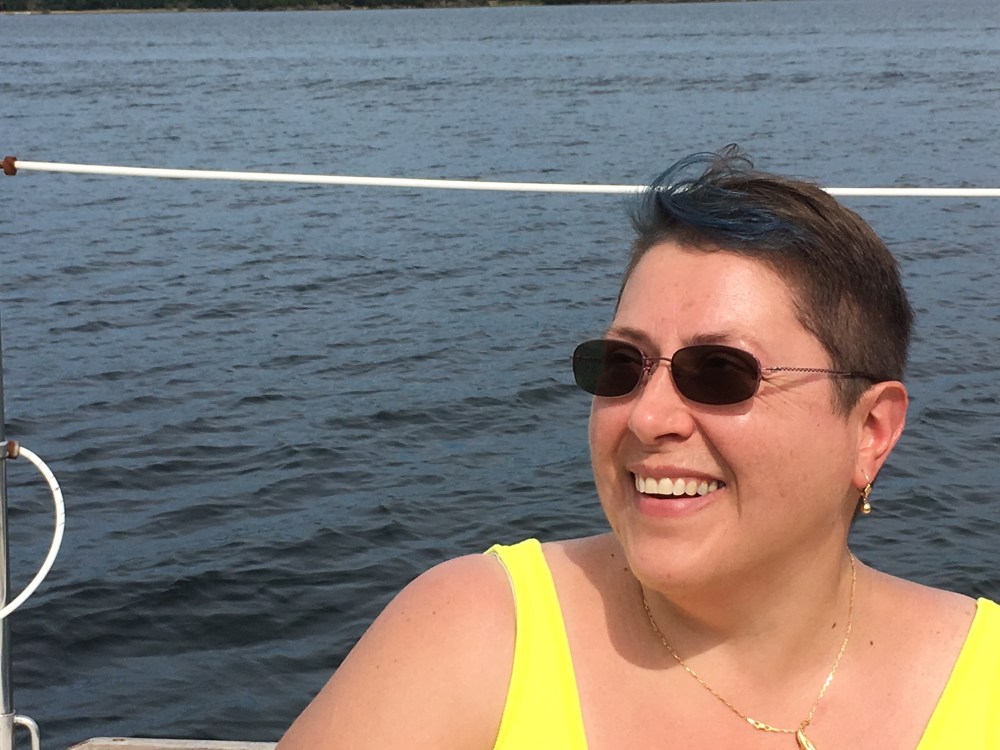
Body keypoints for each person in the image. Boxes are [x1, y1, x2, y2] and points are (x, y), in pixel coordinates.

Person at [277, 146, 1000, 750]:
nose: (647, 416)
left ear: (870, 432)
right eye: (621, 366)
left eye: (719, 372)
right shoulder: (471, 632)